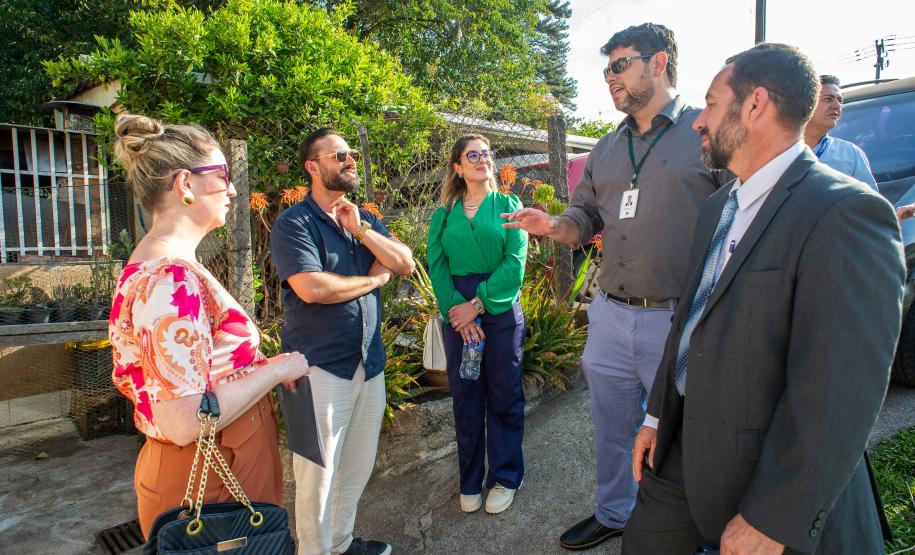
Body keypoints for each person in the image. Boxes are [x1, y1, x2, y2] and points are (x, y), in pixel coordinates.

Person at [625, 43, 903, 554]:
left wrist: (774, 519)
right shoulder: (717, 207)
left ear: (754, 105)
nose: (697, 121)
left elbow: (841, 388)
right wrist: (657, 415)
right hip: (682, 450)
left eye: (710, 104)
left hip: (767, 468)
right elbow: (693, 320)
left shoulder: (846, 212)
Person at [503, 23, 725, 550]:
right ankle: (615, 512)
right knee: (611, 428)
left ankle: (696, 526)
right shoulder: (606, 148)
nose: (610, 78)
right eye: (606, 69)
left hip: (678, 318)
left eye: (620, 65)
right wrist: (555, 226)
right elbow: (585, 216)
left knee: (686, 433)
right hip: (608, 315)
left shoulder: (705, 131)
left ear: (660, 62)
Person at [107, 114, 309, 538]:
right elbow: (184, 420)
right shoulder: (169, 280)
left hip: (218, 468)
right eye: (222, 175)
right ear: (185, 184)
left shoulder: (169, 267)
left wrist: (259, 367)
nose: (233, 189)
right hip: (212, 481)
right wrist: (275, 371)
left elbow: (198, 369)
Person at [270, 128, 415, 555]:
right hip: (320, 368)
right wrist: (373, 279)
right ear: (313, 167)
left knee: (355, 469)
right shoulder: (293, 223)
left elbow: (403, 262)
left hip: (369, 364)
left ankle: (340, 544)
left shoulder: (362, 217)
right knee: (317, 478)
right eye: (338, 156)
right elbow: (313, 288)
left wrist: (364, 233)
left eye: (350, 154)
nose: (349, 161)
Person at [427, 134, 529, 515]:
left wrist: (478, 304)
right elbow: (437, 264)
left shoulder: (508, 204)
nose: (483, 159)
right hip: (457, 314)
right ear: (457, 167)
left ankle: (505, 478)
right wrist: (458, 310)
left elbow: (515, 261)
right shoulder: (443, 214)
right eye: (473, 155)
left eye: (487, 153)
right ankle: (470, 480)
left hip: (498, 308)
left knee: (503, 394)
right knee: (467, 397)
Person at [803, 74, 878, 190]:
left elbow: (870, 204)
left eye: (840, 100)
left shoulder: (852, 154)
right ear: (808, 103)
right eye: (828, 99)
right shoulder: (781, 150)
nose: (837, 105)